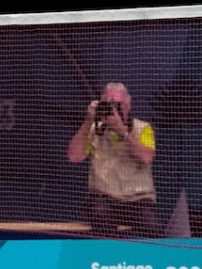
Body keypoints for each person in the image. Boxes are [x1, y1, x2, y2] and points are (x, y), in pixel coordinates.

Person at [66, 81, 161, 238]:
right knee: (102, 218)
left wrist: (121, 130)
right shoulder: (93, 129)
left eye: (118, 104)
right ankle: (106, 260)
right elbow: (74, 157)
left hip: (137, 199)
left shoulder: (143, 128)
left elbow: (146, 157)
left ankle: (147, 261)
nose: (114, 109)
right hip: (103, 197)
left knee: (153, 228)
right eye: (109, 104)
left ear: (128, 106)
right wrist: (88, 120)